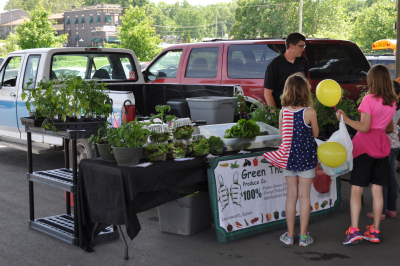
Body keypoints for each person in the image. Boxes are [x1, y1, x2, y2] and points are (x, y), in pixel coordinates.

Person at [337, 64, 397, 244]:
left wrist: (346, 119)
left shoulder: (368, 100)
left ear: (373, 80)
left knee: (356, 188)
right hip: (382, 146)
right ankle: (375, 231)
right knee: (377, 190)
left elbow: (364, 127)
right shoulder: (393, 101)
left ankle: (354, 230)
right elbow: (387, 127)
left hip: (364, 147)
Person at [263, 73, 319, 246]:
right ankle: (303, 237)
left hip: (287, 158)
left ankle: (289, 235)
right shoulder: (309, 112)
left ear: (287, 91)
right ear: (305, 92)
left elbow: (282, 135)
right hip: (306, 159)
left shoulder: (283, 112)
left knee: (291, 196)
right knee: (304, 197)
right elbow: (315, 134)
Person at [365, 80, 400, 220]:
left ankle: (381, 211)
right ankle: (391, 208)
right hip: (395, 144)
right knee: (390, 177)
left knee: (382, 179)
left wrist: (373, 126)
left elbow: (390, 128)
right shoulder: (396, 105)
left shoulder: (388, 105)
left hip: (386, 145)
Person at [264, 32, 308, 110]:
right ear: (291, 46)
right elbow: (267, 93)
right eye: (301, 46)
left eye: (304, 46)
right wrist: (276, 114)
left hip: (300, 109)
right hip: (281, 109)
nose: (303, 49)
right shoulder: (274, 64)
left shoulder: (303, 61)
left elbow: (305, 86)